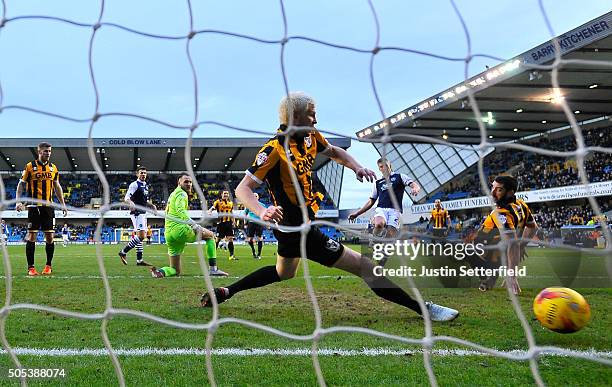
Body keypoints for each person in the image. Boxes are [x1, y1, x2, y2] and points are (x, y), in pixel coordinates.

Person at [200, 92, 458, 321]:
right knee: (364, 266)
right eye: (311, 116)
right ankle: (424, 310)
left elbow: (335, 152)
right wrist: (261, 210)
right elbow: (242, 189)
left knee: (283, 272)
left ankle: (226, 291)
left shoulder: (311, 138)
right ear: (294, 117)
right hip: (295, 228)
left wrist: (356, 166)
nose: (315, 120)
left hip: (296, 227)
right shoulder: (273, 150)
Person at [467, 175, 536, 294]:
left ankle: (490, 275)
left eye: (498, 189)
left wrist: (512, 275)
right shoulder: (521, 204)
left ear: (510, 192)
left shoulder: (500, 213)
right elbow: (533, 227)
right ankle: (492, 275)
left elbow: (514, 242)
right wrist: (521, 246)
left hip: (484, 250)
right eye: (492, 188)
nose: (492, 193)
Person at [151, 174, 228, 278]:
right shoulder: (182, 194)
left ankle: (161, 272)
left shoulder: (173, 194)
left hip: (169, 233)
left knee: (175, 270)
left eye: (190, 182)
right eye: (186, 181)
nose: (189, 184)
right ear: (179, 182)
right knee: (210, 236)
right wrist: (194, 225)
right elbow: (181, 211)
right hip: (180, 230)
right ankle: (213, 269)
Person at [15, 142, 68, 276]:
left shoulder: (53, 168)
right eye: (45, 151)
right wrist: (18, 202)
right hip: (33, 207)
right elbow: (21, 184)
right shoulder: (29, 166)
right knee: (32, 236)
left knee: (50, 237)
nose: (48, 153)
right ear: (39, 152)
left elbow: (57, 186)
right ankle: (31, 268)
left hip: (48, 207)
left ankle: (48, 266)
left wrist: (63, 204)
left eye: (49, 151)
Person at [348, 158, 420, 240]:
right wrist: (357, 213)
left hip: (395, 211)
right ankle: (374, 238)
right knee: (379, 224)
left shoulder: (400, 176)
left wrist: (415, 189)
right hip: (381, 209)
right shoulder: (378, 182)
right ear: (379, 169)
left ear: (390, 165)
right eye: (381, 166)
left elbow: (415, 185)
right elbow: (371, 201)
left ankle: (383, 247)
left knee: (390, 235)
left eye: (386, 165)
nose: (384, 168)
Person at [118, 167, 155, 266]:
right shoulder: (134, 185)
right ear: (137, 174)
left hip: (143, 212)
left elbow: (143, 200)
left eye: (145, 173)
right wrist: (131, 203)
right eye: (141, 173)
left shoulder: (145, 185)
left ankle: (139, 260)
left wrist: (152, 205)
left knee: (140, 237)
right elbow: (126, 198)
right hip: (137, 213)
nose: (143, 174)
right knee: (142, 236)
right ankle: (123, 252)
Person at [208, 191, 236, 260]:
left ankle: (231, 255)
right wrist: (210, 210)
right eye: (224, 194)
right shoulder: (218, 202)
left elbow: (232, 212)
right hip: (221, 223)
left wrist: (234, 221)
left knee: (230, 239)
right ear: (221, 195)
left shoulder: (231, 203)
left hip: (229, 223)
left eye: (227, 194)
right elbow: (213, 207)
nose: (226, 195)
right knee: (218, 239)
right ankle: (212, 255)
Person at [244, 192, 266, 259]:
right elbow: (245, 213)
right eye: (253, 196)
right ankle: (253, 251)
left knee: (259, 238)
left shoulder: (262, 205)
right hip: (251, 223)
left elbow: (265, 214)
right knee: (250, 239)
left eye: (256, 196)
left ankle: (259, 254)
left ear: (258, 197)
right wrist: (245, 221)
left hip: (259, 223)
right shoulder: (249, 205)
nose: (255, 197)